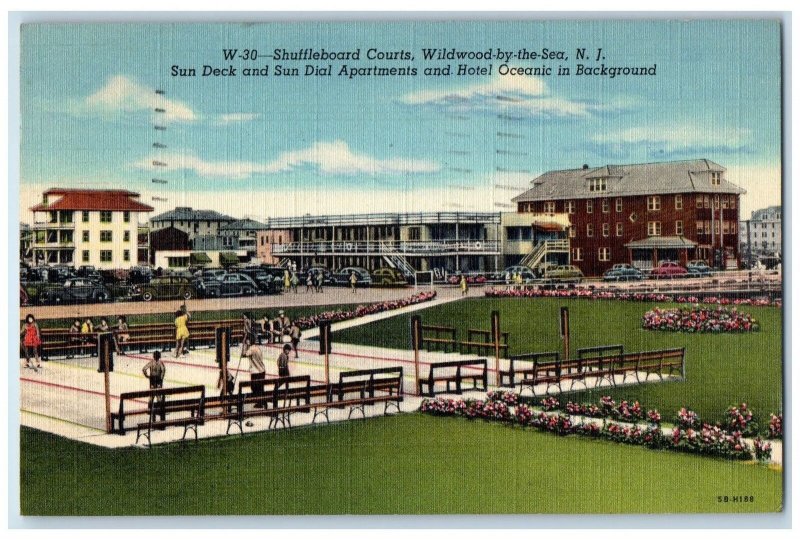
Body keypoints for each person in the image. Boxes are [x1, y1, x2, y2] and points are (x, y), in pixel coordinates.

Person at [240, 337, 266, 406]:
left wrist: (244, 345)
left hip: (256, 371)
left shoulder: (251, 349)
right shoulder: (257, 348)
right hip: (262, 370)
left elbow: (243, 354)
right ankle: (262, 401)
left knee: (254, 387)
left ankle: (259, 402)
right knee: (260, 387)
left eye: (247, 340)